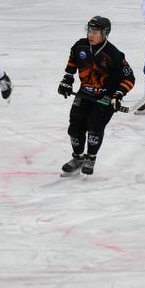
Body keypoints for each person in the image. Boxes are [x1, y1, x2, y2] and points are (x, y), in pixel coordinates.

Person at [57, 15, 135, 176]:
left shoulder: (114, 54)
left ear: (105, 33)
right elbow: (73, 60)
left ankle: (90, 158)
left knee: (95, 126)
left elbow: (129, 78)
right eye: (90, 30)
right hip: (84, 93)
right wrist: (67, 79)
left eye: (96, 32)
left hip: (106, 97)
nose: (91, 35)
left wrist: (118, 95)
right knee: (75, 127)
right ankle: (78, 158)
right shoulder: (80, 46)